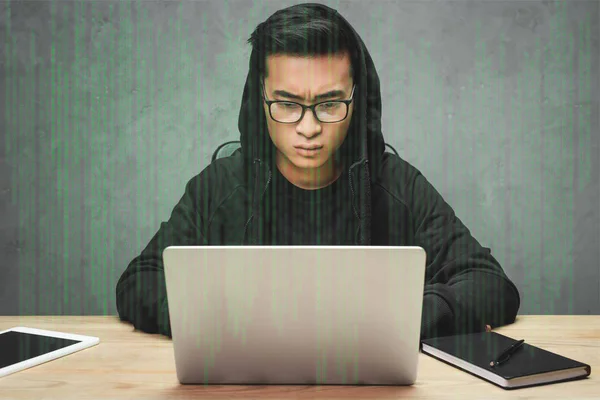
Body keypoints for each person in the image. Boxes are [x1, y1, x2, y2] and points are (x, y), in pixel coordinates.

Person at [116, 3, 520, 340]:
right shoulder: (220, 186)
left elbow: (490, 283)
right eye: (287, 104)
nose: (308, 128)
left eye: (329, 104)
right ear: (259, 100)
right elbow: (139, 281)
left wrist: (414, 313)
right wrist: (220, 318)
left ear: (356, 101)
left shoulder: (396, 185)